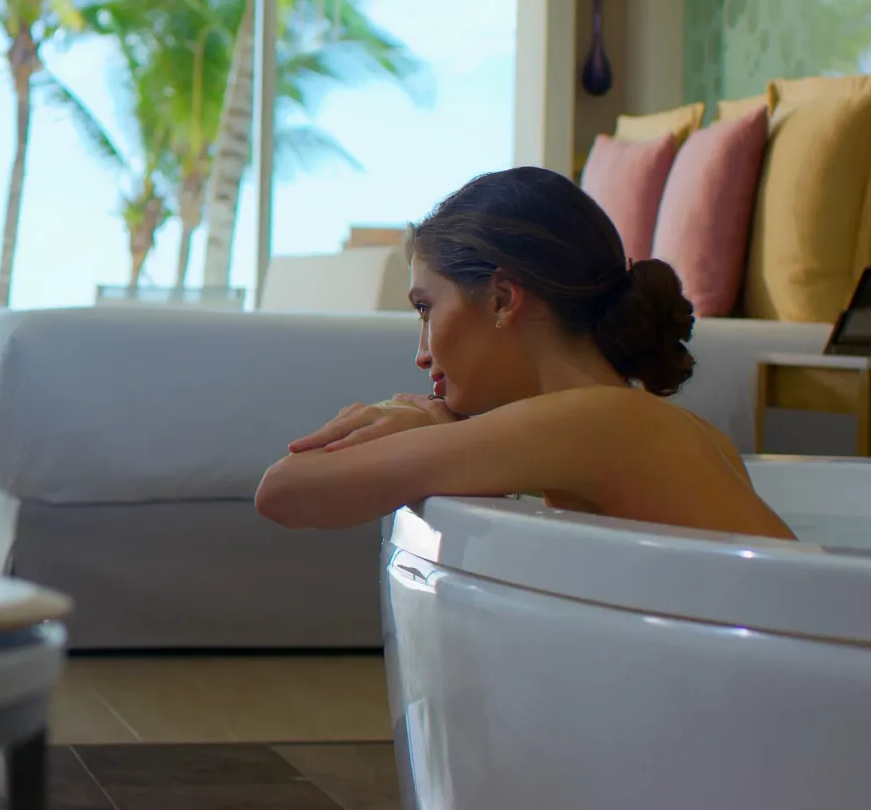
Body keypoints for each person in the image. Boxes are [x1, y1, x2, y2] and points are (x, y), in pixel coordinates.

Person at [254, 166, 795, 541]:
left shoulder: (592, 421)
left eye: (425, 309)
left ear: (503, 298)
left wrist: (422, 421)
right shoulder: (626, 421)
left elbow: (284, 490)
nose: (421, 355)